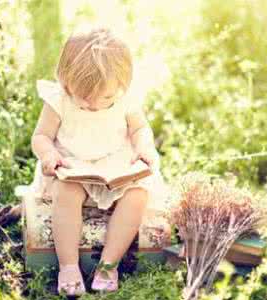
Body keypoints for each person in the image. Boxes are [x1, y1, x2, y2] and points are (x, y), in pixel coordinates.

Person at [30, 27, 169, 296]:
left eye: (105, 98)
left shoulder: (126, 98)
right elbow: (41, 136)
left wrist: (142, 148)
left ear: (123, 84)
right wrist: (49, 155)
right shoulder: (58, 100)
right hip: (72, 166)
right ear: (66, 81)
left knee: (138, 195)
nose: (94, 105)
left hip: (114, 165)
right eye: (84, 99)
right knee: (66, 193)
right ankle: (68, 266)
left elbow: (140, 129)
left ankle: (108, 264)